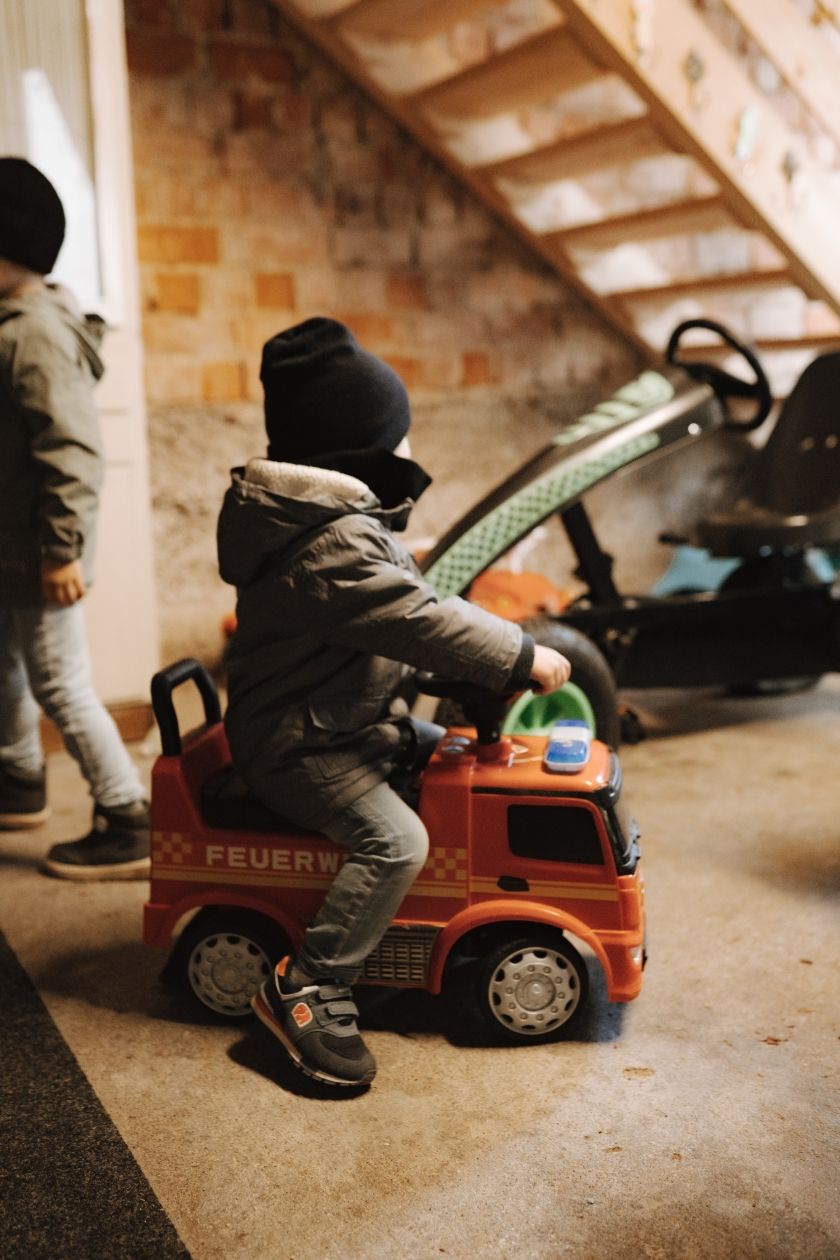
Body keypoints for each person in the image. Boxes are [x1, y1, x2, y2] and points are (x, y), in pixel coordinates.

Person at [217, 317, 571, 1087]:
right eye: (400, 439)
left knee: (439, 752)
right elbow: (418, 620)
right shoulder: (332, 545)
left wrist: (457, 671)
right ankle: (309, 984)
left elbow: (399, 617)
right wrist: (519, 653)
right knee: (398, 840)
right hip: (296, 744)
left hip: (337, 715)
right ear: (359, 451)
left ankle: (416, 920)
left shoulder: (333, 526)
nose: (410, 455)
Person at [0, 157, 149, 878]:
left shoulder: (34, 333)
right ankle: (18, 780)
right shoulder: (16, 320)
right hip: (11, 546)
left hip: (39, 550)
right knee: (6, 665)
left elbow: (71, 451)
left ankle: (127, 814)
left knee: (59, 680)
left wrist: (60, 551)